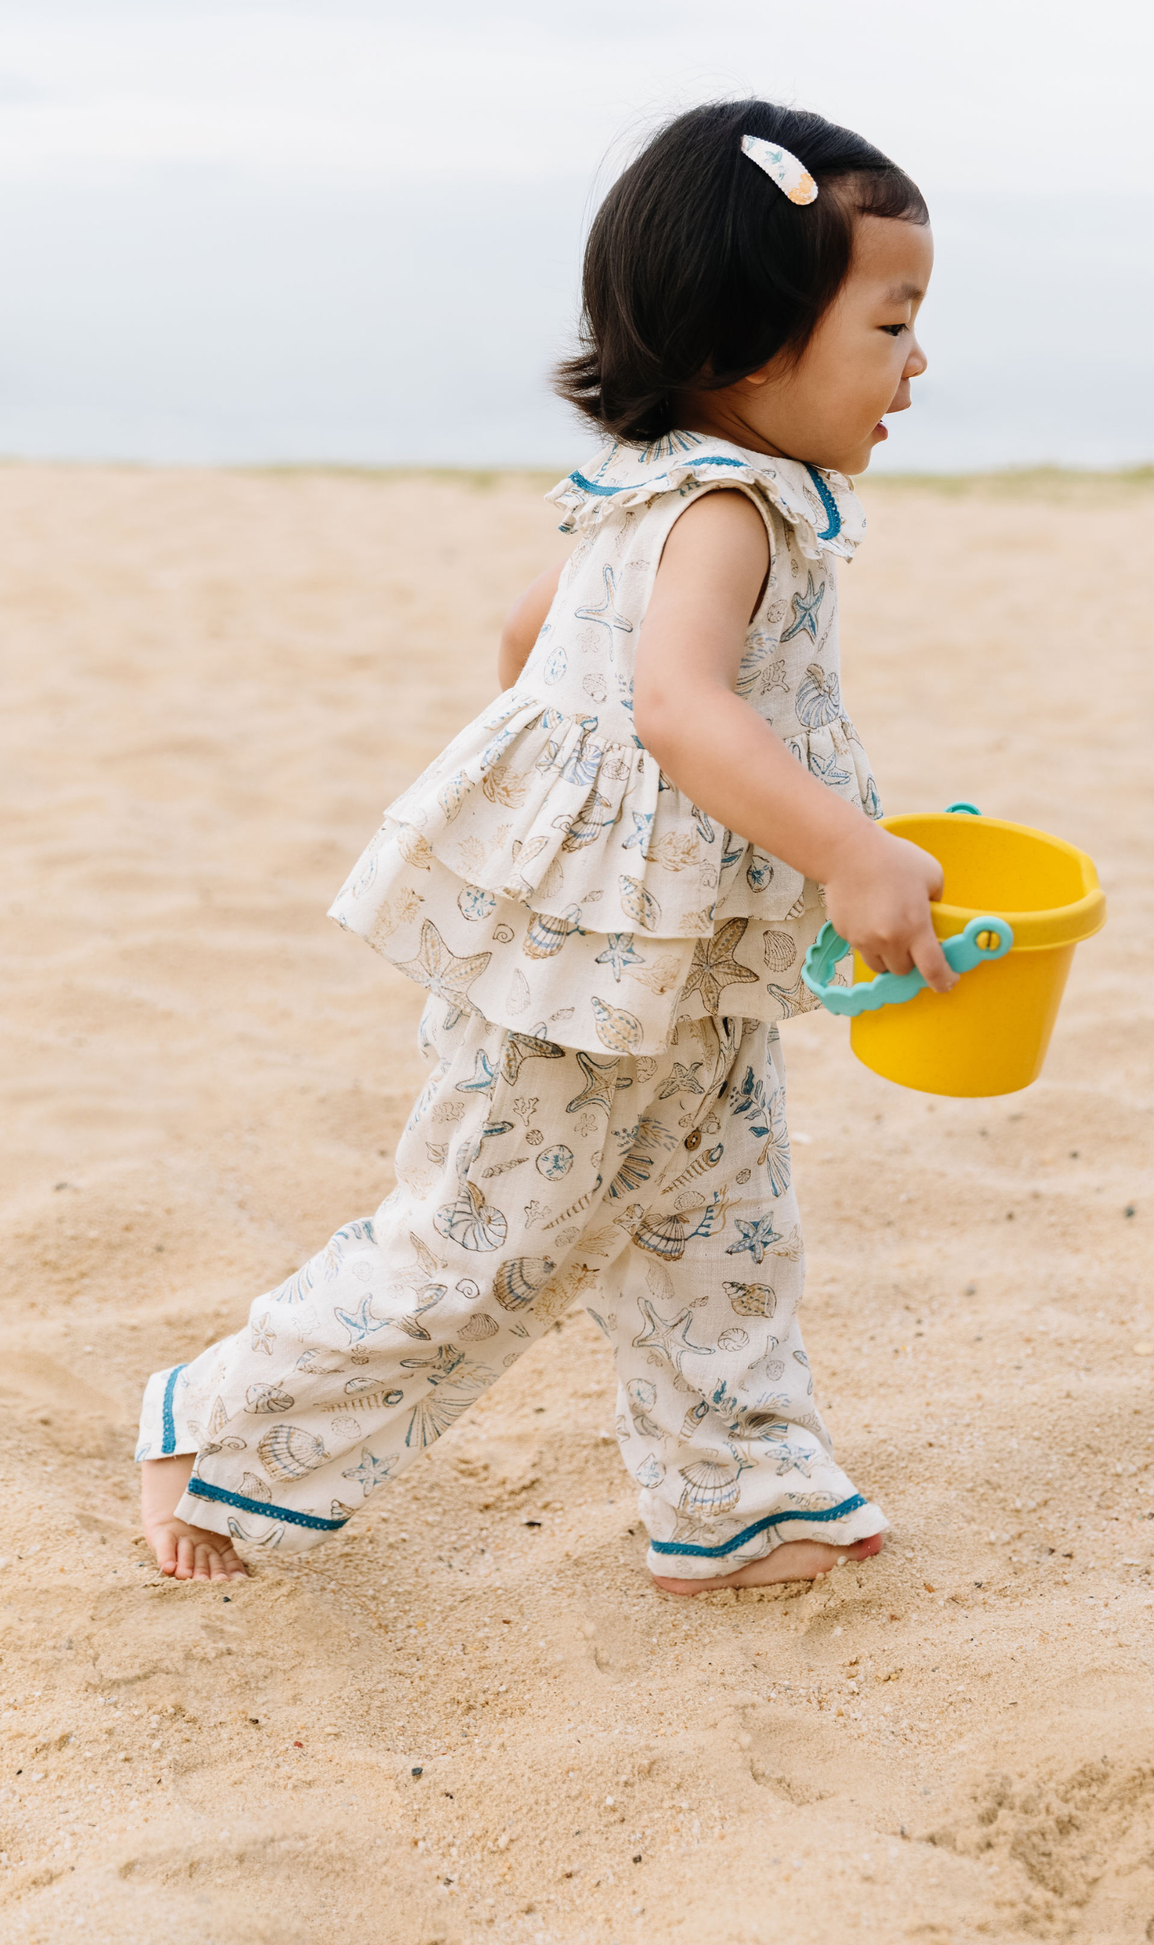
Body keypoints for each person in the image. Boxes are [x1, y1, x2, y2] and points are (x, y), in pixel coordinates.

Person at [138, 98, 951, 1593]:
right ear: (756, 341)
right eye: (892, 325)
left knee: (720, 1232)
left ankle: (744, 1498)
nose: (919, 365)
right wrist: (839, 845)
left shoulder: (645, 496)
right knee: (482, 1240)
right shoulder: (723, 509)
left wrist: (601, 838)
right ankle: (214, 1427)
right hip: (581, 990)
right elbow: (676, 705)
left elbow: (535, 635)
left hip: (675, 964)